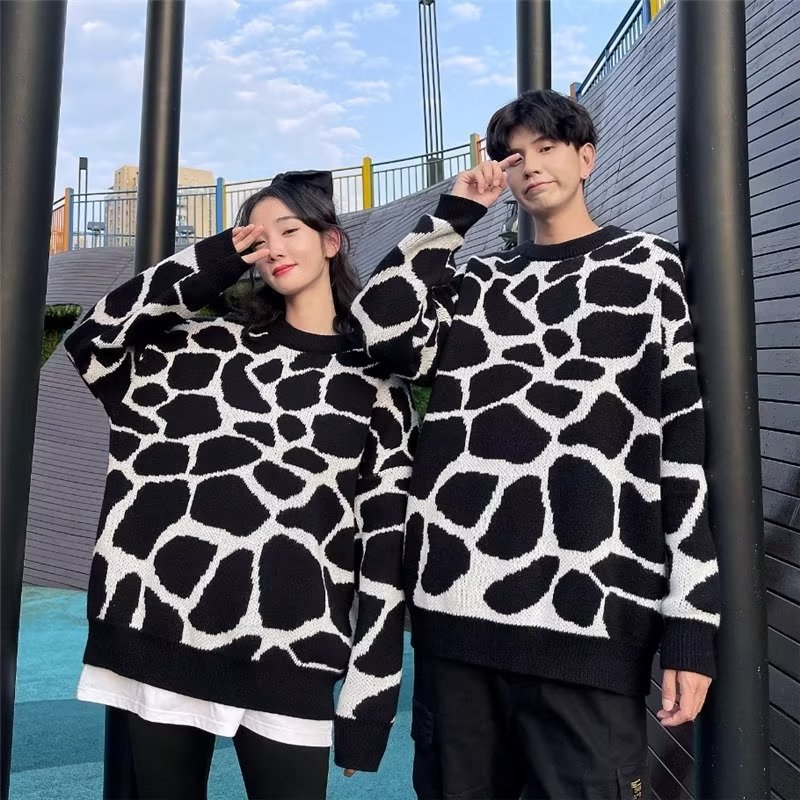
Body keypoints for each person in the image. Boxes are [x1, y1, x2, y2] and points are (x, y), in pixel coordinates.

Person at [351, 90, 721, 799]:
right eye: (513, 156)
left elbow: (681, 454)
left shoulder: (649, 271)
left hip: (591, 621)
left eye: (547, 148)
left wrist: (691, 627)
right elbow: (379, 331)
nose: (529, 166)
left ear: (586, 158)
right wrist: (456, 212)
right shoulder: (477, 283)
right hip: (457, 615)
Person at [64, 170, 417, 800]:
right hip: (167, 634)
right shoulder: (200, 349)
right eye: (258, 236)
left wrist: (367, 708)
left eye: (290, 229)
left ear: (331, 241)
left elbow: (385, 554)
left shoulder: (376, 383)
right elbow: (94, 339)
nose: (274, 247)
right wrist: (219, 257)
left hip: (292, 654)